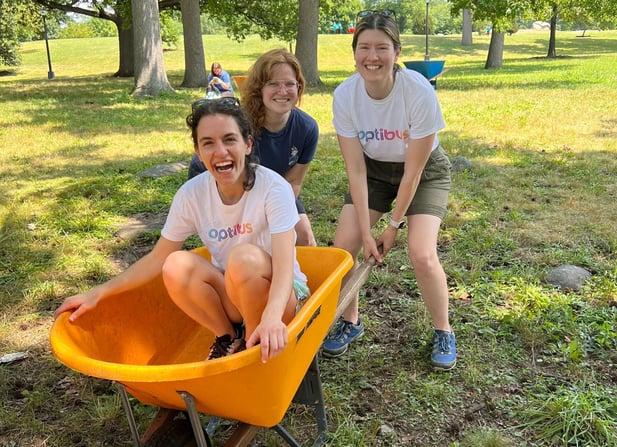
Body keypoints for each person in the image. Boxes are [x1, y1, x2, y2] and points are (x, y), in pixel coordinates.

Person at [54, 97, 309, 364]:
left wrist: (271, 316)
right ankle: (229, 337)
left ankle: (255, 347)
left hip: (283, 296)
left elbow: (282, 266)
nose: (220, 151)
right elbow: (157, 258)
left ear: (247, 145)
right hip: (236, 294)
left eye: (229, 139)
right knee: (174, 264)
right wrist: (97, 293)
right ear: (198, 152)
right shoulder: (192, 194)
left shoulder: (273, 188)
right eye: (208, 143)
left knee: (242, 257)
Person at [321, 9, 456, 371]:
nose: (372, 57)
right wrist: (366, 233)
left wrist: (392, 227)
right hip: (374, 172)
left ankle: (443, 329)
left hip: (424, 171)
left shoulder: (417, 90)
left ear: (397, 52)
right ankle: (351, 321)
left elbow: (413, 173)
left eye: (382, 47)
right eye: (364, 47)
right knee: (343, 249)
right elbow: (355, 168)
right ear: (354, 53)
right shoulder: (345, 95)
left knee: (421, 253)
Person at [189, 49, 318, 247]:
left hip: (274, 190)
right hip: (228, 187)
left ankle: (297, 277)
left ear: (299, 87)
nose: (282, 91)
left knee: (304, 236)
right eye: (273, 84)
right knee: (246, 247)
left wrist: (274, 216)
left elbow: (292, 183)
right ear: (259, 88)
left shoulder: (307, 128)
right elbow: (228, 181)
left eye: (290, 84)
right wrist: (256, 224)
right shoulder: (240, 123)